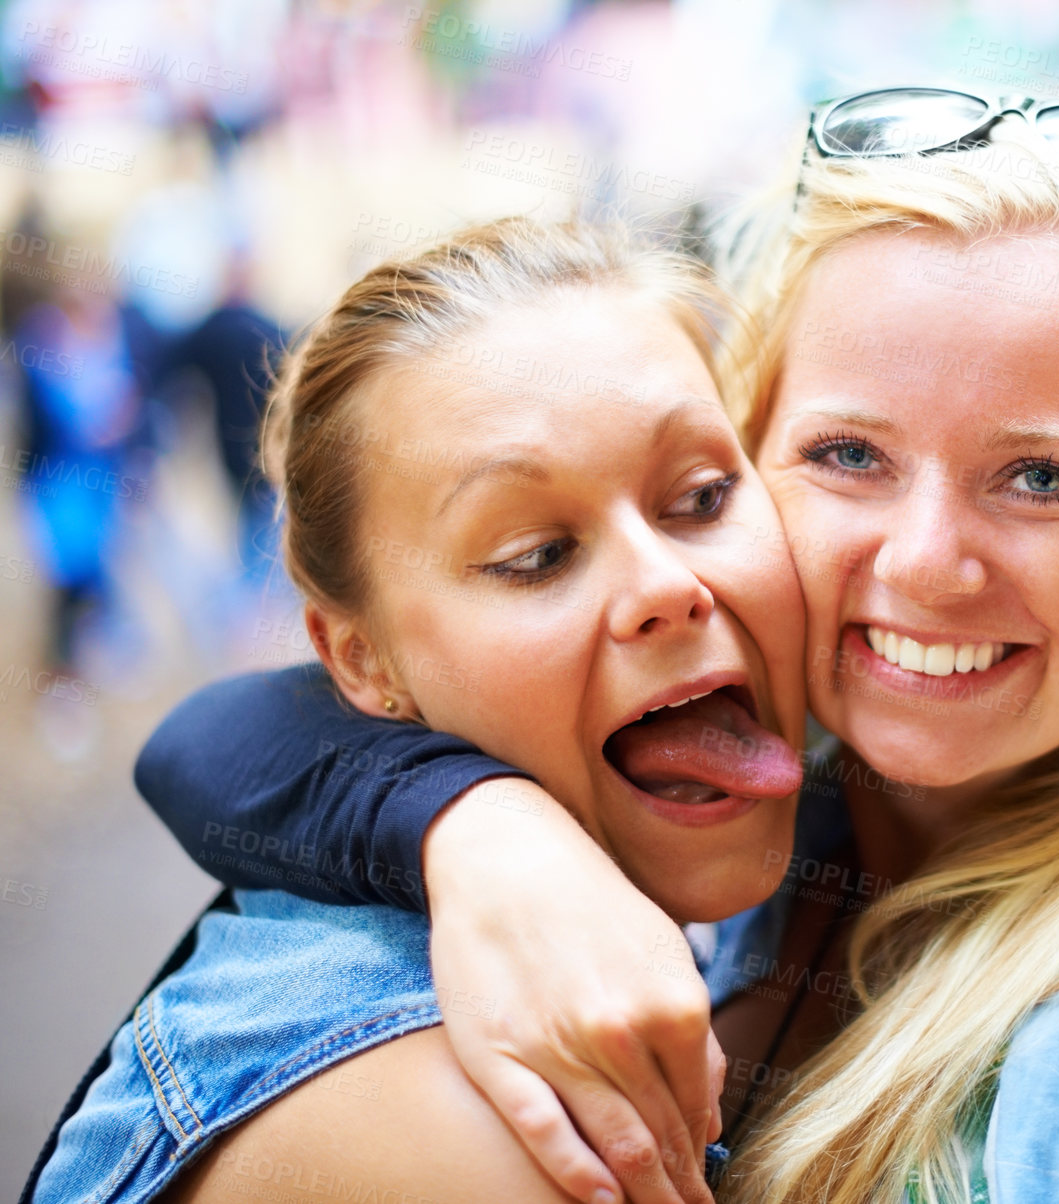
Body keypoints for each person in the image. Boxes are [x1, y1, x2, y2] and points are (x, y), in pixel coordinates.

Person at [35, 98, 1059, 1204]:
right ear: (754, 450)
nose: (927, 559)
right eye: (846, 454)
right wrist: (469, 829)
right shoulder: (732, 832)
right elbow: (224, 743)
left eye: (1042, 476)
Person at [26, 216, 808, 1204]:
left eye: (699, 496)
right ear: (362, 661)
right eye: (537, 555)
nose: (665, 583)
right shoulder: (490, 1136)